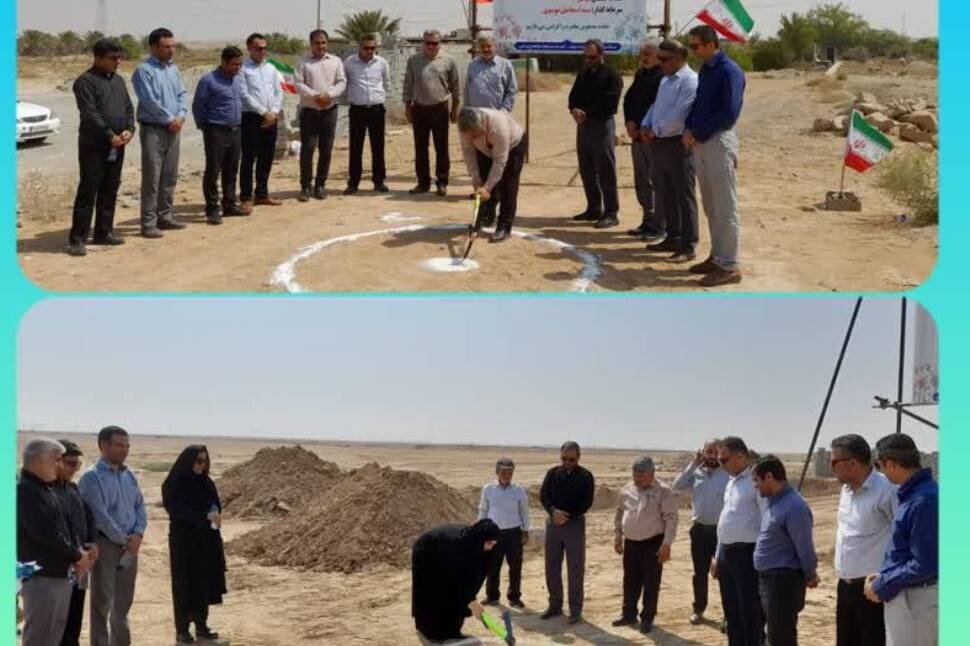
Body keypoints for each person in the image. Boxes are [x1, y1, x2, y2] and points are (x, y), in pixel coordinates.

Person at [683, 25, 747, 287]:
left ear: (711, 44)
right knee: (710, 205)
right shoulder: (707, 70)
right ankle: (718, 257)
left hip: (718, 140)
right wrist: (688, 127)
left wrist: (698, 132)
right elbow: (698, 104)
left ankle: (730, 265)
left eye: (696, 46)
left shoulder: (729, 71)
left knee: (725, 206)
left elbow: (728, 113)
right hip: (700, 141)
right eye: (691, 46)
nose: (693, 51)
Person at [18, 439, 94, 646]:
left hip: (60, 572)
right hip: (42, 576)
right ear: (37, 460)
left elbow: (71, 525)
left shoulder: (47, 489)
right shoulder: (25, 491)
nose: (60, 465)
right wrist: (78, 555)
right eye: (57, 459)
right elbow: (47, 534)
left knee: (55, 633)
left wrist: (84, 549)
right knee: (40, 635)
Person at [864, 434, 938, 646]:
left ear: (890, 463)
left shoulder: (923, 500)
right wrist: (885, 574)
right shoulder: (918, 495)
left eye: (879, 466)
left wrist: (883, 583)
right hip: (911, 595)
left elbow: (926, 563)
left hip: (916, 600)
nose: (881, 472)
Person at [78, 426, 147, 646]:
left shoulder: (129, 475)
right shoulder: (91, 478)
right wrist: (125, 540)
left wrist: (137, 534)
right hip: (106, 545)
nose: (125, 450)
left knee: (123, 603)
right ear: (103, 446)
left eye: (127, 445)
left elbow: (140, 507)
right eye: (119, 445)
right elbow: (100, 516)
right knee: (102, 603)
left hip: (130, 546)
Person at [68, 38, 134, 257]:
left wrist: (129, 128)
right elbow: (89, 113)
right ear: (97, 58)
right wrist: (109, 135)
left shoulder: (118, 81)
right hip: (94, 145)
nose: (117, 62)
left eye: (119, 57)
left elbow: (127, 106)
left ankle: (104, 232)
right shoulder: (84, 82)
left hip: (118, 144)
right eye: (112, 58)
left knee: (110, 188)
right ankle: (77, 239)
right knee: (89, 190)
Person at [830, 434, 898, 646]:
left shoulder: (887, 489)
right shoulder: (846, 490)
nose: (831, 467)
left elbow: (902, 538)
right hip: (845, 587)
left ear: (853, 462)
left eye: (833, 462)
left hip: (874, 591)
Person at [640, 40, 699, 263]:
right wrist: (646, 123)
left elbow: (679, 115)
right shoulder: (665, 80)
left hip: (677, 144)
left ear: (679, 58)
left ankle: (688, 244)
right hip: (659, 142)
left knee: (684, 196)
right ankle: (672, 237)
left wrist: (655, 130)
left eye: (664, 59)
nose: (659, 63)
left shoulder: (690, 81)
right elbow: (656, 106)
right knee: (666, 193)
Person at [162, 445, 227, 644]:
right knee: (184, 584)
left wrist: (215, 515)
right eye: (198, 461)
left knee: (203, 583)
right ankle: (182, 629)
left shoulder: (206, 483)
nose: (202, 465)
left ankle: (201, 626)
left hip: (206, 540)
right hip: (184, 541)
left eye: (204, 461)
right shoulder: (175, 483)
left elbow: (215, 504)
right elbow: (175, 508)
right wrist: (202, 517)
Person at [751, 455, 819, 646]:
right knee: (771, 634)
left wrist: (810, 574)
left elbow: (804, 546)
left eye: (757, 480)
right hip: (770, 580)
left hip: (782, 582)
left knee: (781, 637)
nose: (755, 486)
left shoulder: (794, 506)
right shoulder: (774, 502)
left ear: (769, 477)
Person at [132, 27, 189, 239]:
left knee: (169, 175)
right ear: (154, 47)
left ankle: (165, 216)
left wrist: (181, 116)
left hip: (174, 127)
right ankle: (148, 223)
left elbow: (182, 94)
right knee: (152, 177)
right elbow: (149, 100)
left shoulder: (173, 69)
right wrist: (170, 119)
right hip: (154, 129)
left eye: (173, 46)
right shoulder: (144, 70)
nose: (171, 50)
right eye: (166, 47)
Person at [611, 456, 679, 633]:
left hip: (653, 544)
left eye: (641, 475)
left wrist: (666, 545)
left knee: (651, 582)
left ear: (652, 474)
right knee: (630, 580)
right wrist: (618, 536)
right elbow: (619, 513)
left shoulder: (664, 491)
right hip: (631, 543)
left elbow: (671, 519)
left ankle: (647, 618)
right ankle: (628, 614)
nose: (637, 479)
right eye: (635, 474)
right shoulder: (627, 489)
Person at [712, 436, 766, 646]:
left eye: (723, 460)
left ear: (740, 456)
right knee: (731, 611)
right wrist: (718, 556)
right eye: (719, 460)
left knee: (750, 612)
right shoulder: (731, 483)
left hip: (748, 555)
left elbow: (766, 521)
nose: (721, 465)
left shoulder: (755, 481)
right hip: (727, 554)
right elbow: (725, 523)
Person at [411, 519, 501, 642]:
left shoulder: (478, 546)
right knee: (435, 590)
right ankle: (430, 630)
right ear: (480, 539)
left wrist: (471, 597)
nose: (491, 547)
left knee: (456, 595)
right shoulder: (461, 547)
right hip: (428, 552)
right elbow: (457, 580)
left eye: (494, 544)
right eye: (489, 543)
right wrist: (472, 602)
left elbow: (474, 577)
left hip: (446, 555)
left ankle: (451, 630)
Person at [568, 39, 623, 229]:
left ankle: (611, 212)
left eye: (592, 57)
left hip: (602, 126)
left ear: (601, 55)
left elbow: (610, 103)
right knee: (587, 169)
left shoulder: (612, 74)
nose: (588, 60)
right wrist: (574, 109)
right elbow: (573, 96)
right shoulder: (583, 73)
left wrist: (587, 113)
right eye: (586, 56)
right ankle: (593, 208)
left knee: (605, 170)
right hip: (583, 126)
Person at [673, 439, 729, 625]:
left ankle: (728, 614)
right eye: (709, 451)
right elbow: (678, 485)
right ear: (703, 452)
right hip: (699, 530)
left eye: (715, 451)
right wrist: (693, 465)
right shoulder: (696, 472)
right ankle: (698, 609)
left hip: (721, 532)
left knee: (724, 573)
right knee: (699, 573)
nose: (712, 455)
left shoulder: (727, 474)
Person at [540, 441, 595, 623]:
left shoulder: (586, 476)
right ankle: (555, 605)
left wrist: (567, 516)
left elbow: (586, 502)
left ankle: (575, 611)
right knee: (552, 566)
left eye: (571, 459)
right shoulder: (552, 473)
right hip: (553, 524)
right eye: (564, 458)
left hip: (574, 525)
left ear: (578, 457)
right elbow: (544, 496)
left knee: (575, 568)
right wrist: (553, 512)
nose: (567, 462)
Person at [403, 30, 461, 196]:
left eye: (434, 43)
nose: (430, 46)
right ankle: (423, 183)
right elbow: (408, 85)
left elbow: (455, 87)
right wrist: (408, 108)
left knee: (441, 148)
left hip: (440, 108)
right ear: (423, 43)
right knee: (420, 148)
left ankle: (442, 182)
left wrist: (454, 109)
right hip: (419, 108)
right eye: (427, 43)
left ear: (439, 44)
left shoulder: (449, 60)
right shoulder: (414, 60)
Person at [192, 46, 246, 225]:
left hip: (236, 130)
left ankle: (229, 204)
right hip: (216, 130)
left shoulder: (238, 80)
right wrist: (205, 127)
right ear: (223, 62)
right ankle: (212, 209)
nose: (237, 68)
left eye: (239, 64)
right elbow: (198, 106)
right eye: (234, 64)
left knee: (231, 169)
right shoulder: (209, 80)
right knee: (213, 170)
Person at [458, 107, 528, 243]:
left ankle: (504, 226)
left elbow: (500, 162)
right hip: (485, 149)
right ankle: (486, 217)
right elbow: (468, 153)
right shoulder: (465, 128)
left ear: (482, 124)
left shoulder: (499, 127)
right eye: (470, 135)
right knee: (482, 183)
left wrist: (487, 188)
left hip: (513, 146)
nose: (472, 137)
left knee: (508, 186)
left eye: (475, 134)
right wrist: (477, 180)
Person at [54, 440, 99, 646]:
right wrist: (74, 555)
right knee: (55, 624)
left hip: (80, 566)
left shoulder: (73, 489)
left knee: (74, 619)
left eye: (76, 465)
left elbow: (89, 519)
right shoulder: (44, 492)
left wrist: (92, 544)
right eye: (70, 464)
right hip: (56, 569)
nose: (74, 469)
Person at [295, 29, 347, 201]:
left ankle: (320, 185)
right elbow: (298, 84)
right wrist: (316, 96)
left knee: (326, 150)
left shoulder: (336, 61)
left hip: (329, 111)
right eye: (317, 43)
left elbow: (341, 82)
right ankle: (305, 187)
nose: (321, 46)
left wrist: (328, 95)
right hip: (309, 111)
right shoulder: (303, 62)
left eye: (323, 42)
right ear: (311, 44)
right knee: (308, 150)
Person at [623, 39, 664, 240]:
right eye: (642, 54)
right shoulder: (641, 74)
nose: (643, 58)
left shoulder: (664, 76)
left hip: (653, 136)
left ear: (658, 55)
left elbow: (659, 106)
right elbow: (629, 100)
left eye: (648, 54)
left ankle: (659, 225)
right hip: (637, 136)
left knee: (657, 181)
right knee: (641, 180)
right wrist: (629, 121)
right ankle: (647, 220)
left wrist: (648, 128)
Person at [239, 32, 284, 212]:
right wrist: (263, 112)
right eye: (259, 48)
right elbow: (244, 94)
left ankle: (262, 194)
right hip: (251, 118)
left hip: (271, 117)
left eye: (265, 48)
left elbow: (278, 92)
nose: (263, 51)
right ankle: (246, 197)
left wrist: (273, 112)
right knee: (249, 158)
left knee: (267, 156)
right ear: (250, 49)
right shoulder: (243, 69)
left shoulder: (271, 69)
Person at [478, 457, 530, 608]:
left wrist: (525, 530)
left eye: (510, 471)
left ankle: (514, 597)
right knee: (492, 566)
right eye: (503, 471)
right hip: (493, 534)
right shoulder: (488, 489)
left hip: (514, 533)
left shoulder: (518, 490)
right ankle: (492, 596)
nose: (507, 474)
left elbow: (524, 511)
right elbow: (483, 509)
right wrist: (481, 531)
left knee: (515, 566)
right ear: (497, 472)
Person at [343, 33, 391, 195]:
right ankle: (353, 182)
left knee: (378, 146)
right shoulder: (349, 63)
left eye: (373, 48)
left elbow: (386, 83)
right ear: (359, 48)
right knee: (356, 147)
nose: (370, 51)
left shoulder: (382, 63)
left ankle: (379, 181)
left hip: (377, 109)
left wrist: (379, 97)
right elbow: (345, 82)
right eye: (366, 48)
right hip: (357, 110)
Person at [464, 35, 517, 112]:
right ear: (479, 48)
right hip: (475, 115)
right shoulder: (472, 65)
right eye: (482, 46)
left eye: (489, 46)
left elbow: (512, 90)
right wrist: (466, 109)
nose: (486, 49)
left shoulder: (505, 65)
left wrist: (505, 109)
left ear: (495, 47)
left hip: (497, 115)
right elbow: (467, 89)